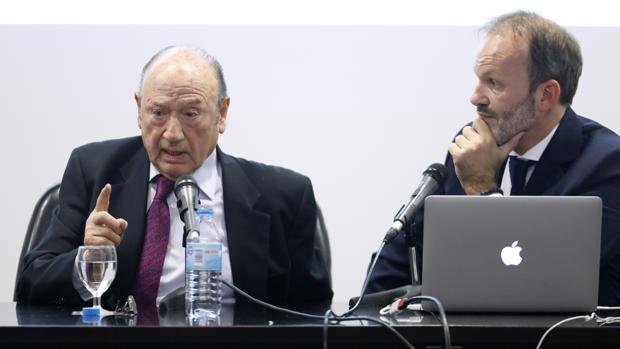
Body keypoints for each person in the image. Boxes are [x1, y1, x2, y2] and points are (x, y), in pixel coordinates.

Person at [17, 46, 333, 311]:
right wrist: (87, 258)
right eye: (158, 113)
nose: (172, 134)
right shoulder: (94, 171)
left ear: (222, 114)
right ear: (139, 109)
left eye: (190, 114)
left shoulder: (285, 196)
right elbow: (31, 282)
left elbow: (311, 312)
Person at [367, 11, 620, 306]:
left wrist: (482, 189)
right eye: (478, 80)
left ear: (546, 95)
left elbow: (536, 281)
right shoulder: (473, 145)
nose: (475, 97)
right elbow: (397, 263)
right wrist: (365, 318)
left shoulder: (607, 164)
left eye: (494, 83)